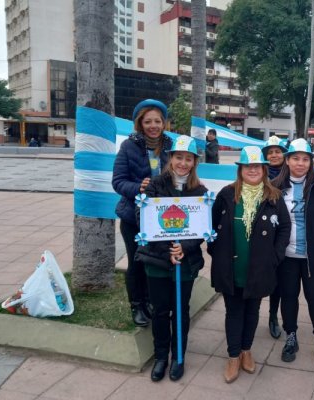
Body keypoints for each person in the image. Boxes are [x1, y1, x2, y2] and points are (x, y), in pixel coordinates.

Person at [208, 146, 291, 383]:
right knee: (233, 312)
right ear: (241, 169)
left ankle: (246, 350)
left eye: (257, 166)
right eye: (248, 166)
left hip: (260, 268)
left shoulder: (274, 196)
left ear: (264, 169)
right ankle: (233, 356)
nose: (253, 170)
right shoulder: (226, 194)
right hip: (230, 267)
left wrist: (275, 256)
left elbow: (285, 227)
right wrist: (217, 251)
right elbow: (211, 226)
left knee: (252, 311)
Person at [134, 135, 207, 382]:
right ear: (171, 158)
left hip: (184, 263)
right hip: (157, 259)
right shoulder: (154, 184)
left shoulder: (200, 191)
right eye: (179, 157)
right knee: (161, 310)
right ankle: (161, 356)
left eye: (188, 158)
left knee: (181, 311)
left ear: (194, 161)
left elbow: (200, 228)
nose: (183, 163)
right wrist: (167, 250)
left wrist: (183, 248)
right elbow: (142, 218)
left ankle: (179, 356)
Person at [272, 139, 314, 367]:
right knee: (288, 297)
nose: (300, 163)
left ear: (312, 161)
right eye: (295, 158)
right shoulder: (275, 186)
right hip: (287, 257)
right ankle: (290, 336)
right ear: (287, 160)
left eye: (305, 159)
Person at [113, 99, 173, 327]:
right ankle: (137, 305)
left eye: (157, 121)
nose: (153, 125)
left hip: (160, 218)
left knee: (156, 261)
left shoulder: (170, 145)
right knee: (136, 262)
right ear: (140, 123)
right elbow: (118, 182)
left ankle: (150, 301)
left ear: (164, 123)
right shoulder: (129, 146)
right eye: (148, 121)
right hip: (133, 218)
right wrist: (138, 187)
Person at [261, 135, 289, 339]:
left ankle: (276, 316)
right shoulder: (258, 176)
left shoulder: (294, 174)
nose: (274, 155)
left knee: (283, 281)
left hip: (290, 234)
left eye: (278, 151)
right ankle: (268, 315)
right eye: (270, 152)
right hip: (267, 234)